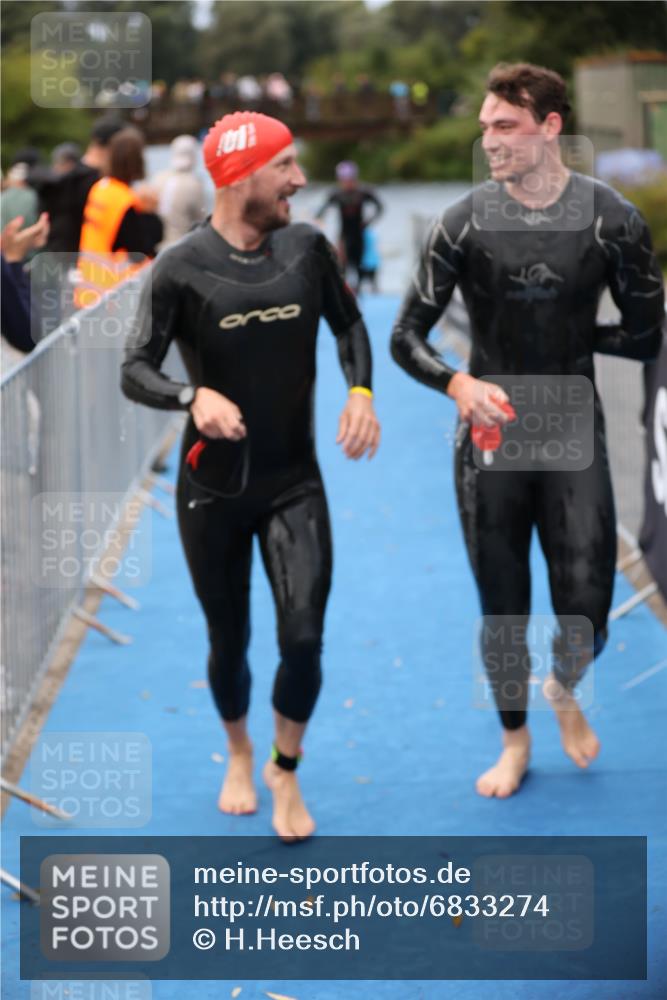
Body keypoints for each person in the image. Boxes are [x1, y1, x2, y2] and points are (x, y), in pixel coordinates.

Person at [390, 62, 664, 799]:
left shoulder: (612, 220)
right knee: (502, 605)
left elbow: (644, 334)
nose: (489, 141)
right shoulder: (463, 222)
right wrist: (458, 381)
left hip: (572, 427)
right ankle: (513, 743)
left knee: (588, 603)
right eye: (484, 127)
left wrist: (570, 344)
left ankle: (563, 688)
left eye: (504, 126)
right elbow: (406, 336)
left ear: (550, 127)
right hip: (491, 437)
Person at [121, 111, 381, 840]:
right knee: (228, 641)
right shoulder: (179, 266)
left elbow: (349, 325)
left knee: (302, 637)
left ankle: (283, 767)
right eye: (285, 166)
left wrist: (361, 393)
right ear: (240, 176)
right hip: (214, 490)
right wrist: (190, 395)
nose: (300, 180)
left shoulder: (306, 248)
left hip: (294, 479)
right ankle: (238, 751)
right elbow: (134, 369)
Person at [76, 126, 162, 308]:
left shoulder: (100, 188)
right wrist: (150, 213)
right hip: (114, 295)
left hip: (89, 286)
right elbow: (140, 249)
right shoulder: (124, 200)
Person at [314, 160, 383, 293]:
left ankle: (361, 292)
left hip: (360, 235)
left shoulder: (363, 192)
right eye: (344, 180)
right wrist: (318, 222)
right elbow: (321, 212)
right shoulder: (337, 194)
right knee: (342, 266)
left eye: (350, 179)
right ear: (340, 180)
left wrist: (369, 221)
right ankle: (343, 294)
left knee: (360, 266)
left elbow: (380, 208)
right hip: (344, 236)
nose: (347, 183)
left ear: (355, 178)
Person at [151, 135, 206, 247]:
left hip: (156, 245)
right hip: (180, 246)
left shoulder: (157, 178)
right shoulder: (194, 184)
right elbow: (200, 222)